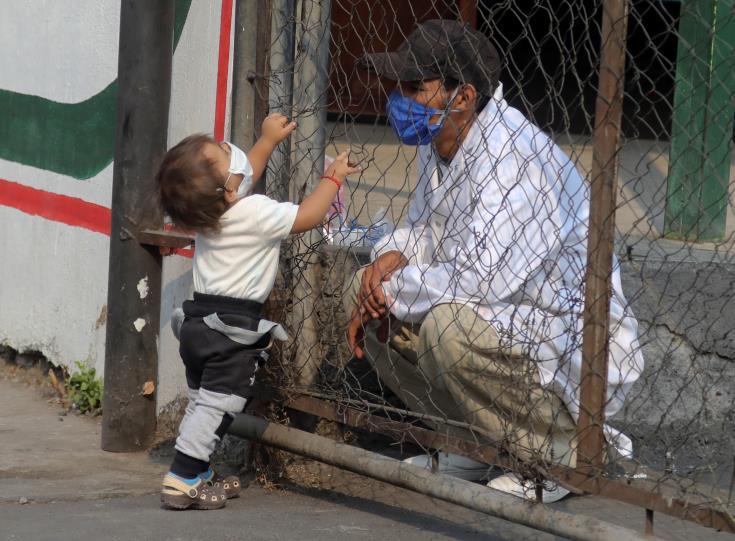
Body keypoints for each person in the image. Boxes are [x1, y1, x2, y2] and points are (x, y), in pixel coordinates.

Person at [346, 19, 644, 502]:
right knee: (362, 283)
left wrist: (392, 286)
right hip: (498, 313)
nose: (399, 99)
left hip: (560, 332)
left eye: (414, 87)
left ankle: (562, 457)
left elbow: (479, 279)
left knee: (446, 328)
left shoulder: (513, 161)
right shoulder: (444, 138)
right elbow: (428, 228)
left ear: (462, 97)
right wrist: (388, 259)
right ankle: (480, 443)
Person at [156, 113, 359, 510]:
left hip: (199, 322)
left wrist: (267, 141)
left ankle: (197, 471)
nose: (233, 151)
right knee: (220, 406)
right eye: (225, 152)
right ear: (230, 191)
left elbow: (239, 177)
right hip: (232, 330)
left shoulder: (211, 214)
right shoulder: (256, 213)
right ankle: (181, 478)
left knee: (202, 403)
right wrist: (332, 179)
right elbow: (309, 216)